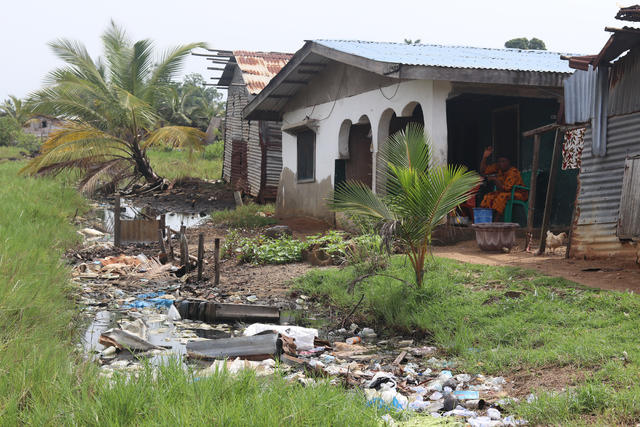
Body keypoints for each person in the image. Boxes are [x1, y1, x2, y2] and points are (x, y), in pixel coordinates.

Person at [478, 147, 527, 217]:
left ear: (509, 162)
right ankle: (485, 218)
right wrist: (484, 157)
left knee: (502, 197)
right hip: (504, 193)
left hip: (518, 194)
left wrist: (494, 179)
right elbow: (483, 170)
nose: (501, 164)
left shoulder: (513, 173)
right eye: (499, 161)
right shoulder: (499, 168)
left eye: (504, 161)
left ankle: (496, 220)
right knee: (488, 196)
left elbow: (504, 190)